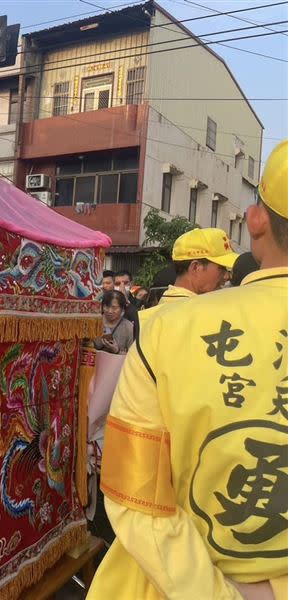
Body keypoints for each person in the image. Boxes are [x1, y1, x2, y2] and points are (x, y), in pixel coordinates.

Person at [87, 139, 288, 600]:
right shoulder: (159, 322)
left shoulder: (168, 329)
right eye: (216, 267)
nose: (222, 275)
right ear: (195, 268)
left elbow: (137, 494)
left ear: (257, 219)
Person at [138, 227, 238, 326]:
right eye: (221, 268)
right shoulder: (207, 317)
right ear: (195, 267)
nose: (226, 276)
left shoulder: (148, 318)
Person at [93, 290, 134, 355]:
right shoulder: (93, 323)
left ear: (122, 309)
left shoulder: (129, 327)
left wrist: (117, 351)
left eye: (114, 308)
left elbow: (133, 356)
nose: (110, 311)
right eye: (106, 306)